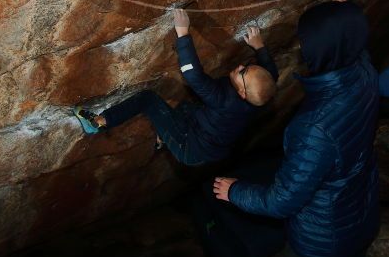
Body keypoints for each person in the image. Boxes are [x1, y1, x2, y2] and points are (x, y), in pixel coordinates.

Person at [212, 0, 380, 257]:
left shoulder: (314, 127)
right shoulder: (365, 75)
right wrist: (342, 16)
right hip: (361, 216)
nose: (302, 45)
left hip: (322, 246)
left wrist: (235, 191)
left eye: (306, 41)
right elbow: (355, 45)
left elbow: (282, 201)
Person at [74, 9, 279, 166]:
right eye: (249, 67)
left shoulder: (224, 100)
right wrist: (259, 46)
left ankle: (98, 122)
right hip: (210, 140)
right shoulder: (259, 95)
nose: (242, 66)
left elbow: (193, 75)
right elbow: (271, 74)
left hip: (189, 147)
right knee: (188, 107)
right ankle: (164, 136)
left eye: (243, 73)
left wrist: (183, 34)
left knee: (148, 99)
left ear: (242, 93)